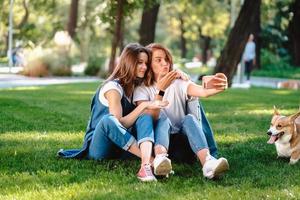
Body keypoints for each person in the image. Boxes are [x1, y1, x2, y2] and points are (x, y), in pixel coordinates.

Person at [57, 43, 170, 182]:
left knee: (147, 116)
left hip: (121, 147)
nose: (144, 67)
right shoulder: (113, 88)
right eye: (139, 62)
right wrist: (144, 106)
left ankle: (148, 164)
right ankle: (152, 161)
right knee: (108, 120)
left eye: (146, 63)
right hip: (99, 148)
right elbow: (118, 123)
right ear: (129, 62)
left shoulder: (133, 89)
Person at [133, 43, 229, 179]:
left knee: (189, 118)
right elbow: (150, 120)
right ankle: (160, 160)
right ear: (149, 64)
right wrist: (160, 91)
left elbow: (202, 91)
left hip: (184, 145)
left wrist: (218, 86)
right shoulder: (141, 89)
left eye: (166, 59)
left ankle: (207, 163)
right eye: (158, 60)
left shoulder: (179, 82)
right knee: (162, 118)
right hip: (159, 144)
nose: (165, 63)